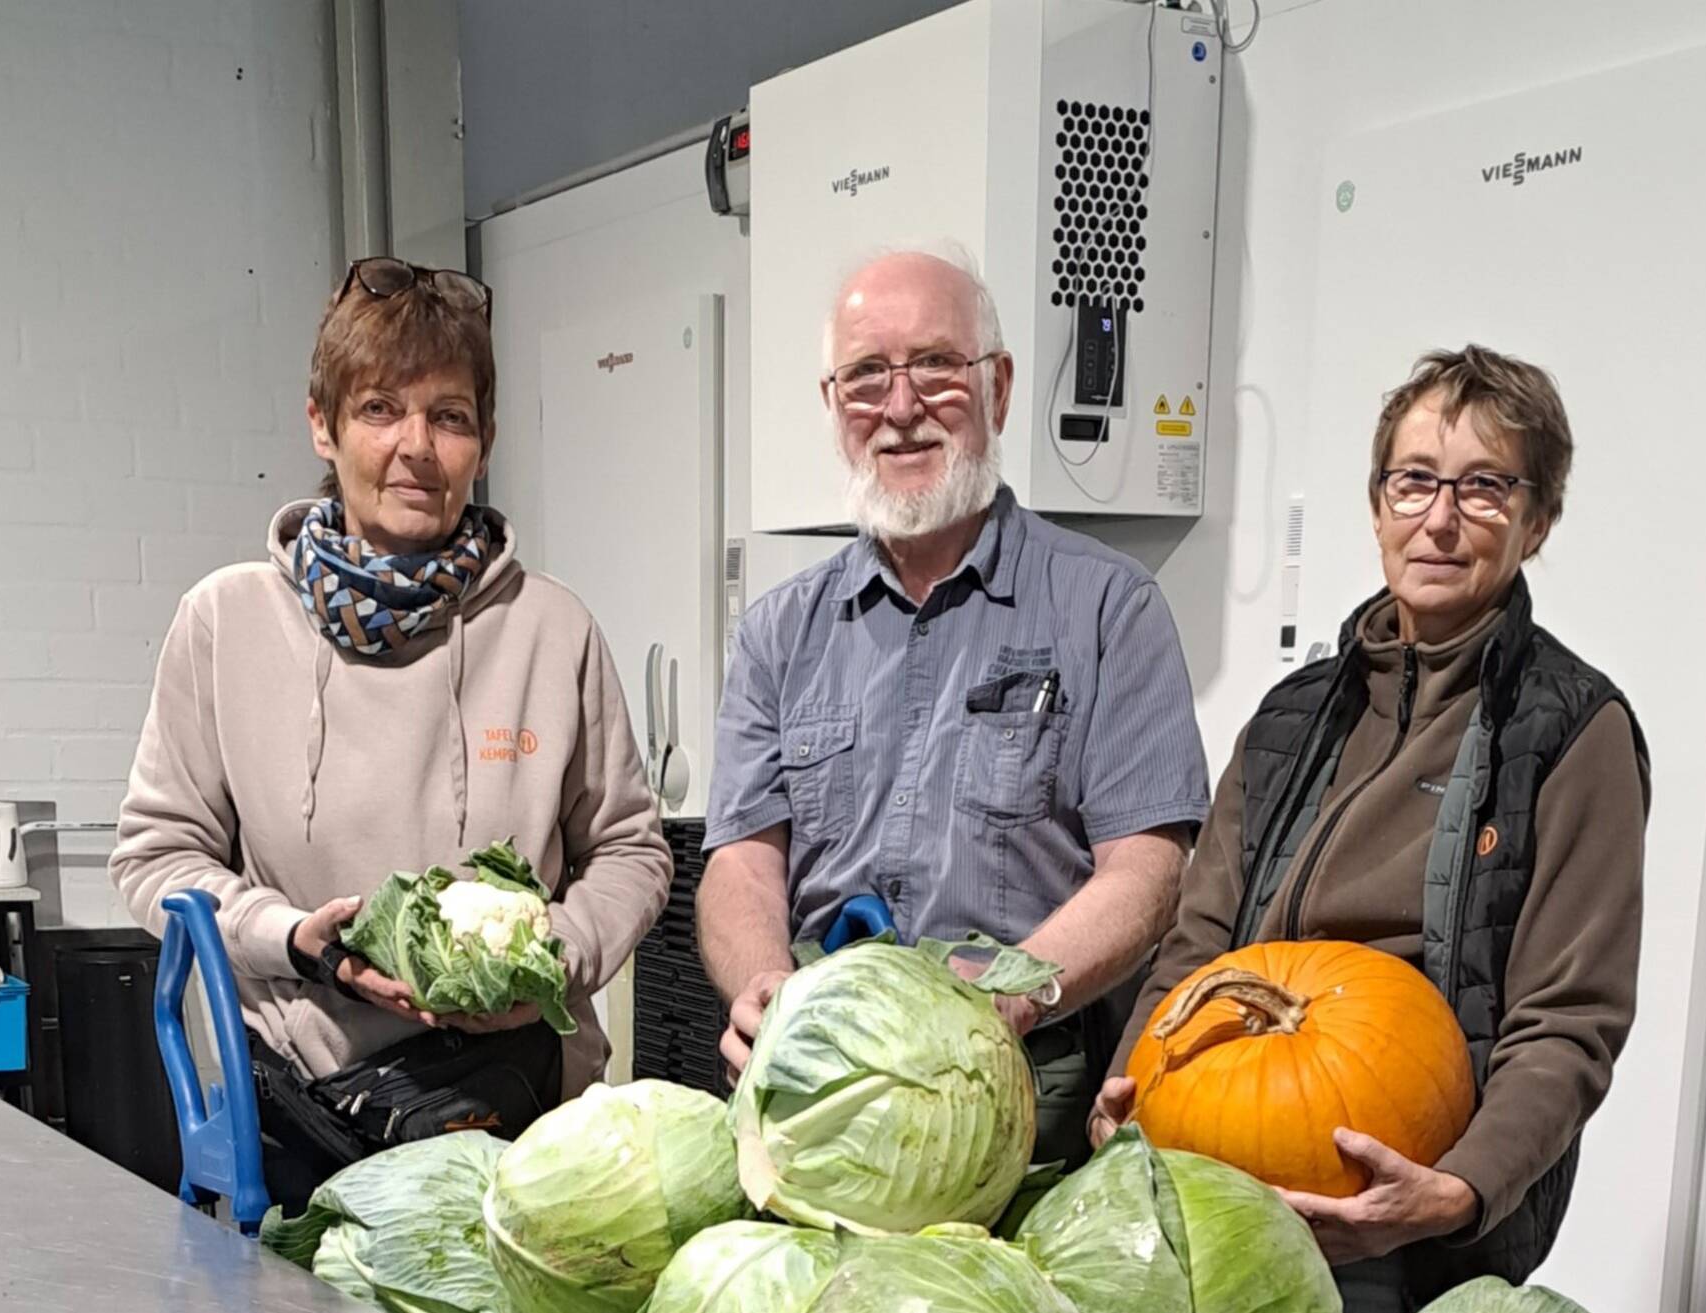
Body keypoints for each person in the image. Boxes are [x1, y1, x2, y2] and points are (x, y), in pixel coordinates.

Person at [1088, 345, 1650, 1310]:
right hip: (1217, 1181)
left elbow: (1567, 1021)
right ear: (1378, 503)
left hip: (1405, 1222)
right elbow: (1199, 939)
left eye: (1482, 487)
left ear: (1536, 518)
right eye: (1414, 481)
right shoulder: (1289, 715)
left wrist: (1457, 1190)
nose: (1437, 517)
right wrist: (1127, 1085)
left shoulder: (1571, 729)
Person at [111, 257, 671, 1208]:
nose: (416, 445)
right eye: (379, 409)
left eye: (449, 416)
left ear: (482, 440)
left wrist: (553, 959)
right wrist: (294, 939)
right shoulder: (225, 621)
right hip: (293, 1104)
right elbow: (157, 859)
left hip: (516, 1107)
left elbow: (629, 848)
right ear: (322, 425)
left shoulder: (552, 628)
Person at [700, 248, 1211, 1167]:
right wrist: (762, 985)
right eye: (865, 377)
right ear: (833, 407)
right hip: (816, 1090)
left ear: (999, 387)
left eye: (935, 365)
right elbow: (742, 858)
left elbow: (1146, 869)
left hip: (1016, 1091)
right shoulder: (778, 632)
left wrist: (993, 1004)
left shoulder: (1109, 608)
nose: (899, 409)